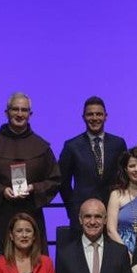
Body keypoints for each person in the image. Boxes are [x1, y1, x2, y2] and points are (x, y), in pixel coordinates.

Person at [0, 92, 61, 235]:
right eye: (15, 109)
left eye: (24, 110)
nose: (20, 114)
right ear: (7, 113)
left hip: (32, 215)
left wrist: (34, 188)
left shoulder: (42, 146)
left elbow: (55, 180)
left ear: (30, 114)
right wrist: (2, 191)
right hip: (0, 215)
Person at [58, 96, 128, 231]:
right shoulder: (72, 146)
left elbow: (124, 177)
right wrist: (73, 209)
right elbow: (63, 182)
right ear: (83, 117)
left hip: (112, 212)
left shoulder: (118, 144)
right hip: (82, 214)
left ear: (105, 116)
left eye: (99, 114)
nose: (95, 118)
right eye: (90, 114)